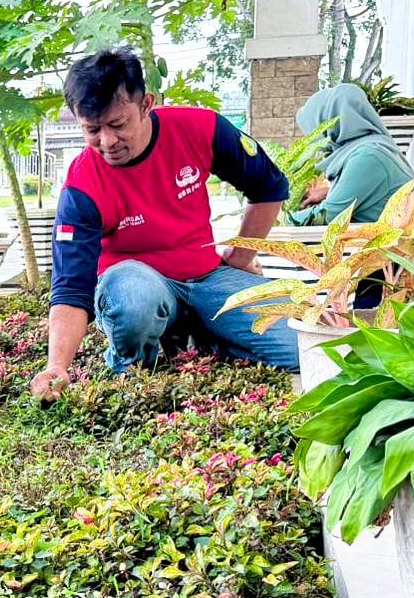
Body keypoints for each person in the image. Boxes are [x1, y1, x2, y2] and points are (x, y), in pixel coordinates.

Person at [30, 48, 298, 400]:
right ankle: (136, 364)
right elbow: (70, 287)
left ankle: (204, 335)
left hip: (207, 277)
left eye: (117, 124)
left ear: (146, 105)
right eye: (92, 129)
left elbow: (269, 185)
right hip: (136, 284)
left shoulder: (200, 129)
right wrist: (57, 365)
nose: (107, 142)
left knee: (298, 346)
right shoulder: (82, 185)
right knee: (135, 300)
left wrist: (241, 256)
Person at [289, 83, 414, 226]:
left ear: (330, 124)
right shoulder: (374, 146)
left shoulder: (368, 156)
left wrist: (277, 219)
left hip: (404, 245)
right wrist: (328, 192)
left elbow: (327, 216)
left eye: (314, 130)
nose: (313, 139)